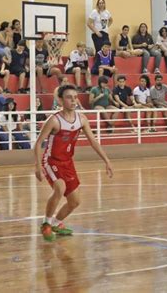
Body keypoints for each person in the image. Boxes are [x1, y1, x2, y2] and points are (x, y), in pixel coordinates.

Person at [34, 84, 114, 242]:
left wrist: (107, 160)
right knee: (60, 187)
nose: (73, 100)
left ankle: (57, 223)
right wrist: (37, 166)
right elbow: (38, 143)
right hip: (51, 160)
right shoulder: (54, 120)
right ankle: (46, 224)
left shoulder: (81, 119)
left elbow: (93, 141)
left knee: (75, 201)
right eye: (69, 97)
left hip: (67, 162)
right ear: (61, 100)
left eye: (75, 97)